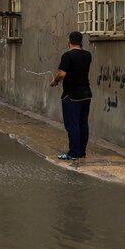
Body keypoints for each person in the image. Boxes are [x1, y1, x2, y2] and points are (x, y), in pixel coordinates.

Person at [50, 31, 92, 161]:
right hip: (86, 94)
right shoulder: (87, 55)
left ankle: (73, 153)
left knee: (72, 125)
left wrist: (55, 81)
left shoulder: (67, 56)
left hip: (72, 95)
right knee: (82, 124)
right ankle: (81, 152)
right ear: (81, 42)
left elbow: (62, 74)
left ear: (69, 41)